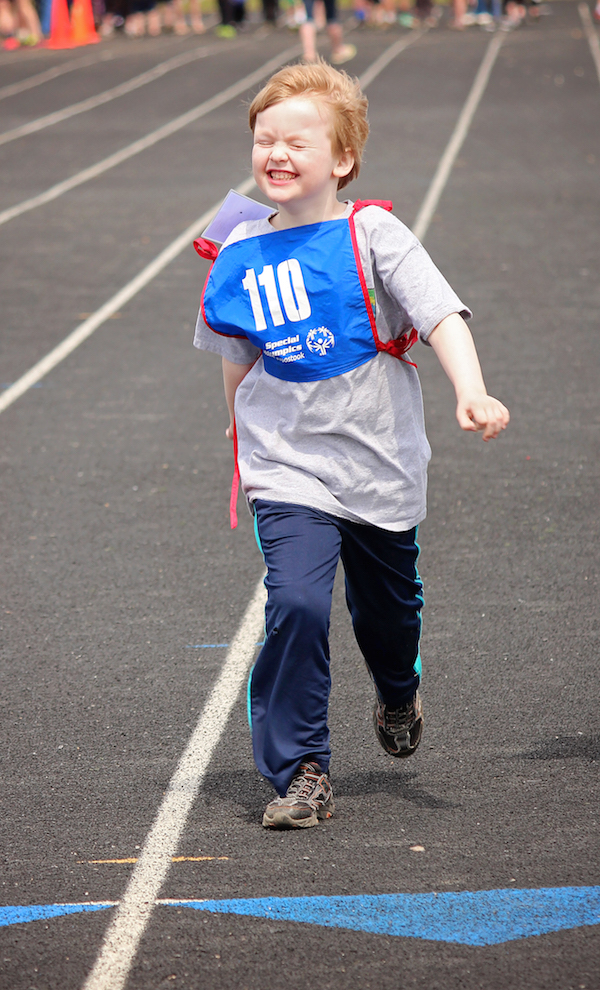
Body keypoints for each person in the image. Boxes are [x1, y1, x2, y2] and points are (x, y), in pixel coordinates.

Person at [193, 61, 509, 830]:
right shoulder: (237, 253)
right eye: (265, 138)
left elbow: (439, 315)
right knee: (295, 601)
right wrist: (239, 431)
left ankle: (398, 688)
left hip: (379, 460)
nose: (276, 152)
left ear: (341, 160)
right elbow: (239, 359)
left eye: (297, 140)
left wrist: (472, 390)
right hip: (287, 466)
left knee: (387, 613)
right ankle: (301, 770)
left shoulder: (372, 232)